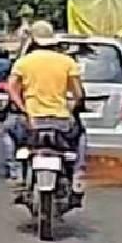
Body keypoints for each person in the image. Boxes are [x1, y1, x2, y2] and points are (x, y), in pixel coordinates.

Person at [5, 21, 87, 199]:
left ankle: (16, 173)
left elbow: (11, 89)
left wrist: (24, 108)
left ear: (33, 40)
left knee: (9, 131)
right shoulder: (67, 62)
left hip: (32, 122)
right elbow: (78, 93)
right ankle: (78, 174)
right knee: (81, 136)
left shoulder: (23, 62)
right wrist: (70, 108)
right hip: (61, 122)